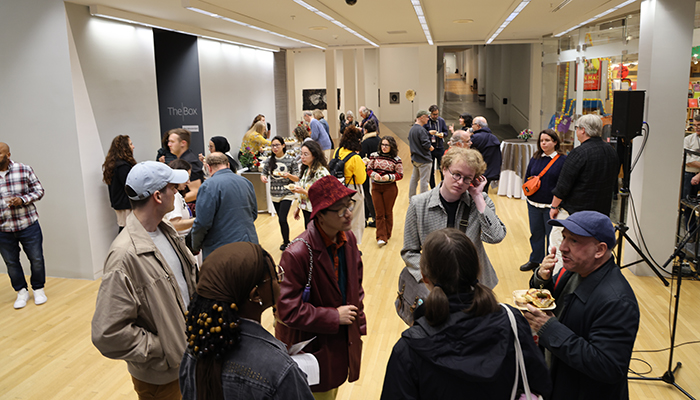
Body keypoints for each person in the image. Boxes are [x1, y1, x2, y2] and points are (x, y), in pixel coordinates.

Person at [381, 228, 551, 399]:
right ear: (479, 270)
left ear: (424, 277)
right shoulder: (512, 321)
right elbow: (540, 383)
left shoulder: (408, 349)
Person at [92, 161, 197, 400]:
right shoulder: (124, 255)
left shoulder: (166, 231)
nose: (178, 191)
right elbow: (107, 333)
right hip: (162, 377)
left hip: (187, 359)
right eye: (173, 187)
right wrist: (164, 348)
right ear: (158, 196)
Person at [524, 211, 640, 400]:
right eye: (563, 237)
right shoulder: (575, 270)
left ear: (600, 250)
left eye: (574, 241)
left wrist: (550, 329)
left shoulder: (617, 302)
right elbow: (554, 301)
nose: (562, 247)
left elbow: (609, 366)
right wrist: (541, 280)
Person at [179, 242, 314, 400]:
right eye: (275, 276)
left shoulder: (194, 351)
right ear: (256, 294)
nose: (280, 280)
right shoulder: (279, 369)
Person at [276, 175, 367, 399]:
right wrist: (333, 317)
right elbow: (286, 310)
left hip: (341, 341)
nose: (348, 213)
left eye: (349, 205)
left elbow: (356, 284)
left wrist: (358, 324)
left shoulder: (349, 239)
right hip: (312, 348)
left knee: (333, 388)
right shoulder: (297, 253)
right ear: (320, 215)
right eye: (339, 209)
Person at [402, 147, 506, 299]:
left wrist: (477, 197)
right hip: (436, 289)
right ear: (444, 169)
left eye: (467, 178)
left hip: (474, 287)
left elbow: (495, 236)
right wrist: (432, 280)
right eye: (456, 174)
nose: (460, 182)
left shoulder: (480, 202)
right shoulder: (418, 204)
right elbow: (409, 251)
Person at [0, 142, 47, 309]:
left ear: (8, 155)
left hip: (28, 224)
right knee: (11, 262)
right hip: (3, 229)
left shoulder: (24, 169)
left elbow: (39, 190)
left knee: (36, 259)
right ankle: (21, 291)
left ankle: (38, 288)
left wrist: (22, 200)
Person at [550, 114, 619, 218]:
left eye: (576, 128)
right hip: (602, 213)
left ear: (583, 130)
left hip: (576, 213)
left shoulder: (578, 153)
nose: (576, 131)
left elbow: (563, 186)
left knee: (557, 235)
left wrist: (554, 207)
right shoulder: (611, 151)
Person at [192, 152, 258, 259]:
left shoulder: (208, 186)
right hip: (250, 245)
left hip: (221, 250)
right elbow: (254, 214)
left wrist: (195, 245)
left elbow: (202, 223)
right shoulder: (246, 182)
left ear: (208, 167)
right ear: (228, 165)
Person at [519, 129, 567, 272]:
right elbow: (528, 175)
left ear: (555, 142)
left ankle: (549, 264)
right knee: (536, 233)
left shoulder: (562, 160)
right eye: (541, 141)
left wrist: (557, 205)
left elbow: (563, 184)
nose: (543, 143)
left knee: (551, 236)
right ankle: (535, 260)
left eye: (547, 140)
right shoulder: (536, 157)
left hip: (551, 206)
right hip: (533, 203)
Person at [261, 136, 299, 250]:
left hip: (287, 193)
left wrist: (288, 175)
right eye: (273, 145)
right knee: (281, 220)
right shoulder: (269, 160)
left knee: (282, 218)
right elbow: (264, 173)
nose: (275, 148)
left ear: (283, 145)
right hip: (274, 193)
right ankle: (286, 240)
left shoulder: (291, 160)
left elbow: (297, 178)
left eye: (277, 145)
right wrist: (263, 178)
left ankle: (286, 242)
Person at [366, 136, 403, 247]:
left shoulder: (396, 159)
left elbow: (400, 174)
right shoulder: (374, 156)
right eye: (383, 144)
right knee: (379, 213)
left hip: (390, 188)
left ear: (391, 146)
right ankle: (381, 237)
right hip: (376, 187)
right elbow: (368, 169)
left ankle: (387, 233)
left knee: (387, 212)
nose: (384, 147)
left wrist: (389, 177)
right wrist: (374, 175)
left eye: (387, 145)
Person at [334, 125, 367, 244]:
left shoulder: (338, 152)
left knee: (340, 218)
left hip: (338, 189)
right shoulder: (355, 158)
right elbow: (361, 179)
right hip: (353, 191)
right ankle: (353, 246)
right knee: (355, 221)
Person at [290, 140, 329, 228]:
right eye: (301, 154)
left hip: (318, 212)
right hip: (307, 208)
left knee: (316, 237)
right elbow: (303, 188)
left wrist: (303, 191)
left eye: (305, 154)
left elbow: (324, 195)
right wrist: (298, 207)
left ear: (314, 155)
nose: (302, 157)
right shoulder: (306, 169)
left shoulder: (321, 172)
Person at [102, 135, 136, 232]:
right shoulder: (122, 166)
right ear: (124, 147)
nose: (133, 147)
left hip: (121, 205)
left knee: (125, 229)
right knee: (127, 231)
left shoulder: (114, 164)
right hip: (126, 206)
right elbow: (130, 186)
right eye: (130, 144)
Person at [168, 128, 204, 203]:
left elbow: (196, 192)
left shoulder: (190, 162)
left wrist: (175, 202)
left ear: (183, 143)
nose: (169, 144)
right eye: (169, 141)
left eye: (172, 142)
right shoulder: (183, 159)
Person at [470, 116, 502, 192]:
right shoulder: (494, 138)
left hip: (478, 172)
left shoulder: (475, 138)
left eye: (472, 124)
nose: (471, 126)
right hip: (490, 172)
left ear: (478, 125)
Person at [165, 159, 195, 236]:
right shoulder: (174, 196)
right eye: (186, 178)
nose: (188, 182)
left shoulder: (177, 194)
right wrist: (199, 220)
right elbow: (175, 224)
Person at [408, 110, 434, 198]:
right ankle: (423, 201)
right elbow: (426, 144)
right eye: (427, 116)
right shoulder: (421, 130)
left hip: (415, 159)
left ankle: (411, 198)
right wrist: (431, 147)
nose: (428, 118)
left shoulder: (412, 129)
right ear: (421, 117)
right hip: (424, 160)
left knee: (414, 179)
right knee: (424, 181)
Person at [360, 120, 380, 228]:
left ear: (366, 130)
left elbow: (361, 158)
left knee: (367, 194)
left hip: (367, 172)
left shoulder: (365, 143)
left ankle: (374, 217)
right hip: (379, 171)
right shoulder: (379, 140)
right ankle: (372, 216)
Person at [423, 105, 449, 188]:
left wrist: (443, 135)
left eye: (437, 114)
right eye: (434, 114)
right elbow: (422, 133)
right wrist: (429, 133)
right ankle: (433, 188)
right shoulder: (426, 121)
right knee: (430, 171)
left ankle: (443, 187)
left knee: (442, 169)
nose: (436, 116)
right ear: (430, 114)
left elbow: (446, 132)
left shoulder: (441, 121)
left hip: (439, 147)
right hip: (430, 148)